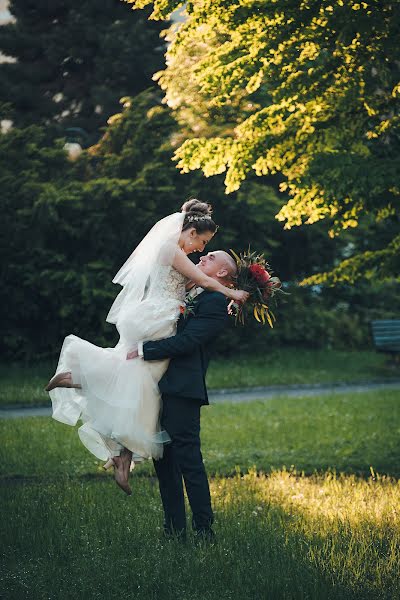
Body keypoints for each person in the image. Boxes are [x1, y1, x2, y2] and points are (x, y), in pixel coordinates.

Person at [46, 200, 248, 495]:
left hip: (158, 314)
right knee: (144, 376)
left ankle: (122, 452)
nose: (201, 250)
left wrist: (228, 295)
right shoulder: (171, 249)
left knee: (143, 382)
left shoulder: (178, 252)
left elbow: (197, 285)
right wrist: (234, 292)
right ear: (190, 231)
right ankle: (82, 379)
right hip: (158, 317)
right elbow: (203, 280)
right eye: (202, 242)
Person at [126, 249, 238, 541]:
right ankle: (173, 529)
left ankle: (204, 529)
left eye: (211, 257)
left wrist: (143, 351)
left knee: (189, 461)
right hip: (158, 384)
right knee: (163, 461)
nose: (202, 257)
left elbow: (188, 341)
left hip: (182, 389)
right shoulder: (192, 291)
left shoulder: (215, 301)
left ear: (223, 273)